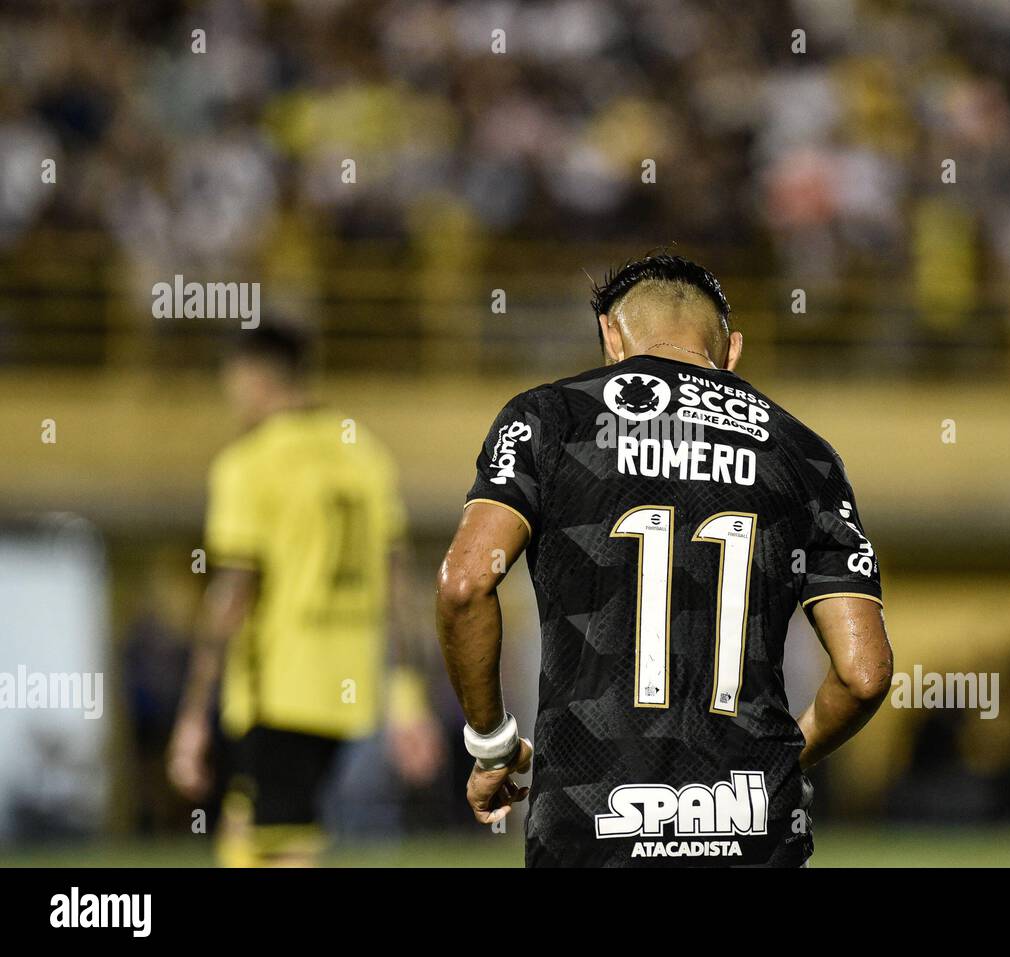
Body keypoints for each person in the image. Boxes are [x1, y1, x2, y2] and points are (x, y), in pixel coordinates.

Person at [436, 254, 894, 867]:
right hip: (751, 820)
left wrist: (492, 745)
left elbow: (464, 585)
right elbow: (865, 674)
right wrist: (781, 763)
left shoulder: (548, 419)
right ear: (731, 351)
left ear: (610, 334)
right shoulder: (804, 453)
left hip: (591, 811)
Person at [167, 321, 442, 866]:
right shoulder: (366, 455)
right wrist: (409, 696)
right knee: (248, 826)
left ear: (251, 378)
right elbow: (399, 587)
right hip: (348, 686)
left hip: (279, 686)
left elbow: (233, 594)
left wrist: (194, 711)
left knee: (286, 844)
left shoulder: (250, 462)